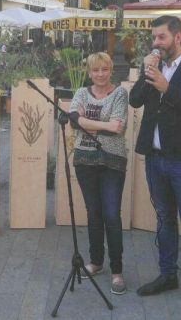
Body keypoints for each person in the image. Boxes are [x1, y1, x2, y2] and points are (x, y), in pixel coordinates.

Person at [129, 15, 181, 317]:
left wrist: (167, 87)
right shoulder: (154, 68)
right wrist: (146, 74)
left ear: (178, 38)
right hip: (156, 158)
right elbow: (135, 101)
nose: (156, 43)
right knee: (165, 219)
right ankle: (168, 275)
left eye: (161, 38)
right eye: (154, 38)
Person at [68, 52, 129, 295]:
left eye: (104, 69)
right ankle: (96, 262)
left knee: (111, 215)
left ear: (110, 70)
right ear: (89, 72)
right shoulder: (81, 93)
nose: (100, 74)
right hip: (84, 160)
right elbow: (73, 120)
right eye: (96, 70)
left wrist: (86, 120)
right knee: (93, 213)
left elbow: (119, 127)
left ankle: (117, 271)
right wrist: (104, 125)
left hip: (112, 161)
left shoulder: (120, 93)